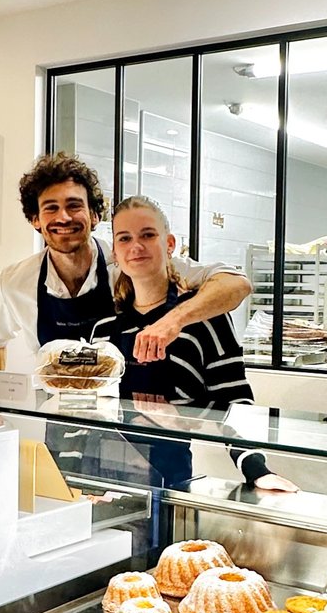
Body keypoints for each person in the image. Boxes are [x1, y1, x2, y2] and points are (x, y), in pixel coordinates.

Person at [0, 153, 251, 392]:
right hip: (58, 419)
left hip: (124, 415)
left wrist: (171, 322)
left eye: (74, 206)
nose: (63, 218)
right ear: (35, 219)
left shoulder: (128, 258)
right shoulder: (13, 283)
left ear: (95, 215)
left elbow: (235, 284)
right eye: (50, 209)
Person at [91, 194, 298, 493]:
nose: (136, 246)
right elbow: (89, 409)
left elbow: (234, 404)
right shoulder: (104, 328)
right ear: (116, 253)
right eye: (124, 239)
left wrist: (256, 470)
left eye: (148, 235)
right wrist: (75, 473)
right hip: (104, 479)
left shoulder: (203, 319)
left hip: (172, 483)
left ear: (170, 244)